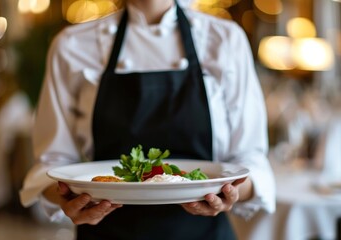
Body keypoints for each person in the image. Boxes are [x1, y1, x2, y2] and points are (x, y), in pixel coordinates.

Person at [19, 0, 276, 239]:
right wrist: (65, 197)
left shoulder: (226, 40)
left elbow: (250, 160)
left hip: (203, 233)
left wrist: (231, 193)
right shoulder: (72, 45)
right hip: (106, 232)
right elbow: (51, 165)